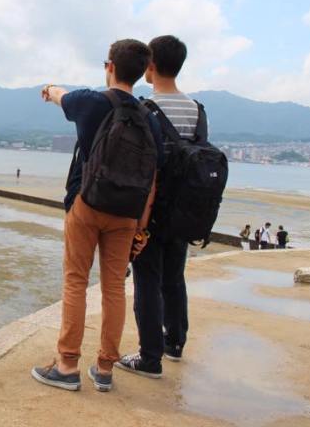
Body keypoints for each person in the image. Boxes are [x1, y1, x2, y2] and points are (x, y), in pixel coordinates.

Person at [31, 39, 162, 393]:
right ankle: (104, 369)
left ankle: (67, 365)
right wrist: (141, 227)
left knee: (76, 281)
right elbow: (152, 179)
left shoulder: (91, 102)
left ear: (110, 67)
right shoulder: (150, 120)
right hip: (127, 215)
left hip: (87, 204)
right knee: (114, 288)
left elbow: (60, 96)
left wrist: (50, 89)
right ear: (141, 73)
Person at [117, 35, 204, 380]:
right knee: (174, 278)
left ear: (150, 65)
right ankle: (175, 342)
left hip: (151, 211)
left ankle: (149, 357)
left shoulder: (146, 108)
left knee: (147, 280)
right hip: (185, 211)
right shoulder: (197, 109)